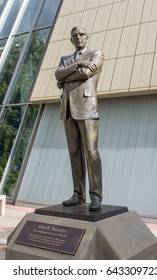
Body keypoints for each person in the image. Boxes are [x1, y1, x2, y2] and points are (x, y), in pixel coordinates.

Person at [55, 26, 104, 211]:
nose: (78, 38)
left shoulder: (96, 53)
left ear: (87, 37)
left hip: (87, 108)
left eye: (81, 35)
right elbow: (57, 74)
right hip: (67, 108)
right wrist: (76, 66)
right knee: (74, 153)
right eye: (74, 36)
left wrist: (65, 78)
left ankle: (96, 196)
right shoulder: (65, 59)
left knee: (91, 152)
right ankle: (78, 194)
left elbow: (87, 72)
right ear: (71, 40)